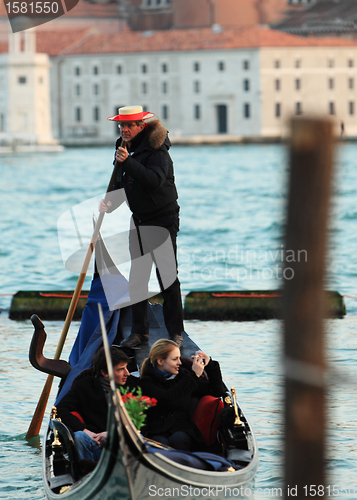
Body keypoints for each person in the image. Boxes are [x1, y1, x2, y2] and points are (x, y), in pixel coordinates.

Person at [99, 105, 184, 349]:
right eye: (121, 126)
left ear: (141, 127)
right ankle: (139, 334)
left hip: (163, 220)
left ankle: (176, 332)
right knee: (137, 278)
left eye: (129, 126)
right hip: (139, 220)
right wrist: (110, 203)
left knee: (167, 277)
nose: (124, 130)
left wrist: (127, 162)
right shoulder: (124, 150)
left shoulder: (158, 152)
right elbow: (124, 186)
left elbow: (154, 182)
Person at [139, 339, 226, 451]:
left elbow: (216, 391)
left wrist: (209, 364)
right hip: (156, 430)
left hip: (183, 430)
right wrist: (193, 376)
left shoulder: (183, 376)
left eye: (179, 358)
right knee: (160, 442)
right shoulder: (146, 383)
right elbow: (166, 399)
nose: (180, 362)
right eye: (175, 359)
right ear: (160, 361)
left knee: (179, 438)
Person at [56, 346, 138, 461]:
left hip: (121, 445)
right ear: (105, 373)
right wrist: (86, 431)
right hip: (95, 444)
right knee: (80, 436)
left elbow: (141, 420)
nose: (127, 373)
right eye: (120, 369)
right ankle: (86, 470)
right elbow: (60, 409)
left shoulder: (133, 386)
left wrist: (113, 434)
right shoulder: (85, 386)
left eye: (126, 368)